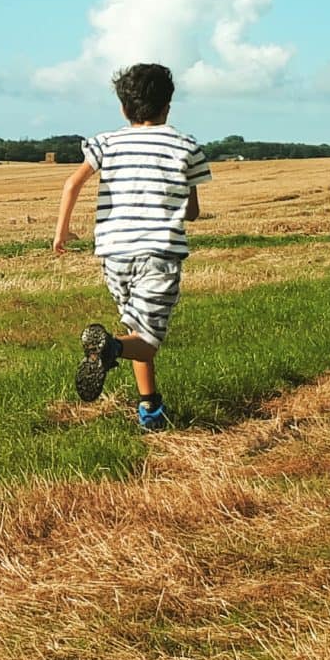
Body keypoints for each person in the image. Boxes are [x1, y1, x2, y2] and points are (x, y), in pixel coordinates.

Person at [52, 62, 211, 431]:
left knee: (136, 327)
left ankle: (149, 407)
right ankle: (111, 349)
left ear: (124, 108)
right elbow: (193, 211)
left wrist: (62, 231)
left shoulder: (106, 142)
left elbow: (71, 184)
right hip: (159, 254)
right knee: (146, 341)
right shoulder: (185, 145)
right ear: (168, 106)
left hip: (113, 255)